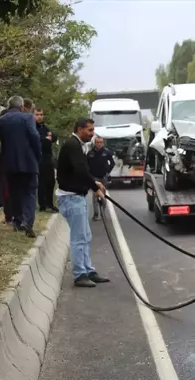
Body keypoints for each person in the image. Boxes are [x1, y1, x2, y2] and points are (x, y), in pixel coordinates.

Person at [56, 118, 109, 288]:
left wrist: (94, 181)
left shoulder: (77, 145)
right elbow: (80, 169)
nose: (92, 134)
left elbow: (82, 171)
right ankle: (80, 274)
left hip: (77, 196)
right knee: (79, 238)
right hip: (70, 198)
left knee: (86, 236)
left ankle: (89, 270)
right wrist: (95, 188)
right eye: (90, 130)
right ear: (79, 129)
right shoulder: (73, 145)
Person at [0, 95, 41, 238]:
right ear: (21, 107)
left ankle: (17, 221)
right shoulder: (27, 118)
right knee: (30, 192)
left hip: (9, 162)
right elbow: (34, 137)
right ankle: (28, 221)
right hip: (28, 160)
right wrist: (37, 155)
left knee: (15, 192)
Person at [35, 108, 58, 213]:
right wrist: (45, 138)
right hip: (39, 158)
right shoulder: (33, 127)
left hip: (48, 157)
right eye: (37, 114)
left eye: (41, 114)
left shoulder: (44, 127)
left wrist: (49, 137)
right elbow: (38, 139)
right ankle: (42, 204)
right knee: (41, 182)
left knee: (51, 181)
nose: (40, 116)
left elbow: (53, 136)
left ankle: (50, 203)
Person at [86, 135, 114, 221]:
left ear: (103, 143)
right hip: (94, 178)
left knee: (103, 196)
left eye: (101, 142)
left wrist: (108, 172)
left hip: (103, 177)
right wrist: (90, 176)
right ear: (95, 143)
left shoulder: (106, 152)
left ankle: (103, 213)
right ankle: (96, 214)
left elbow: (112, 163)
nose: (99, 144)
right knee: (95, 196)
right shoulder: (90, 153)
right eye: (97, 142)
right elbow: (86, 165)